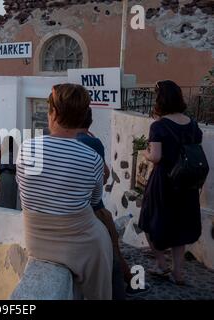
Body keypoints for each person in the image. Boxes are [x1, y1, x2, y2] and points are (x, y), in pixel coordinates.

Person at [16, 84, 113, 300]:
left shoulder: (26, 149)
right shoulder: (93, 158)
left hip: (38, 243)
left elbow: (25, 190)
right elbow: (95, 200)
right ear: (82, 117)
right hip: (85, 246)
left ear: (54, 114)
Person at [76, 108, 150, 298]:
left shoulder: (61, 142)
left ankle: (131, 282)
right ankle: (130, 285)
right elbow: (105, 175)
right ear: (89, 122)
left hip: (74, 214)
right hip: (96, 209)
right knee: (113, 250)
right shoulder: (92, 142)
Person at [139, 80, 204, 286]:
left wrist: (146, 153)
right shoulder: (192, 123)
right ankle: (179, 273)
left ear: (160, 100)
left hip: (164, 182)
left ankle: (161, 263)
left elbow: (156, 156)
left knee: (148, 222)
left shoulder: (159, 126)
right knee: (180, 227)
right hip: (187, 183)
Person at [0, 137, 19, 209]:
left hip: (3, 177)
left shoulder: (4, 154)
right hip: (14, 179)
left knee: (2, 201)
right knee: (11, 200)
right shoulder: (17, 153)